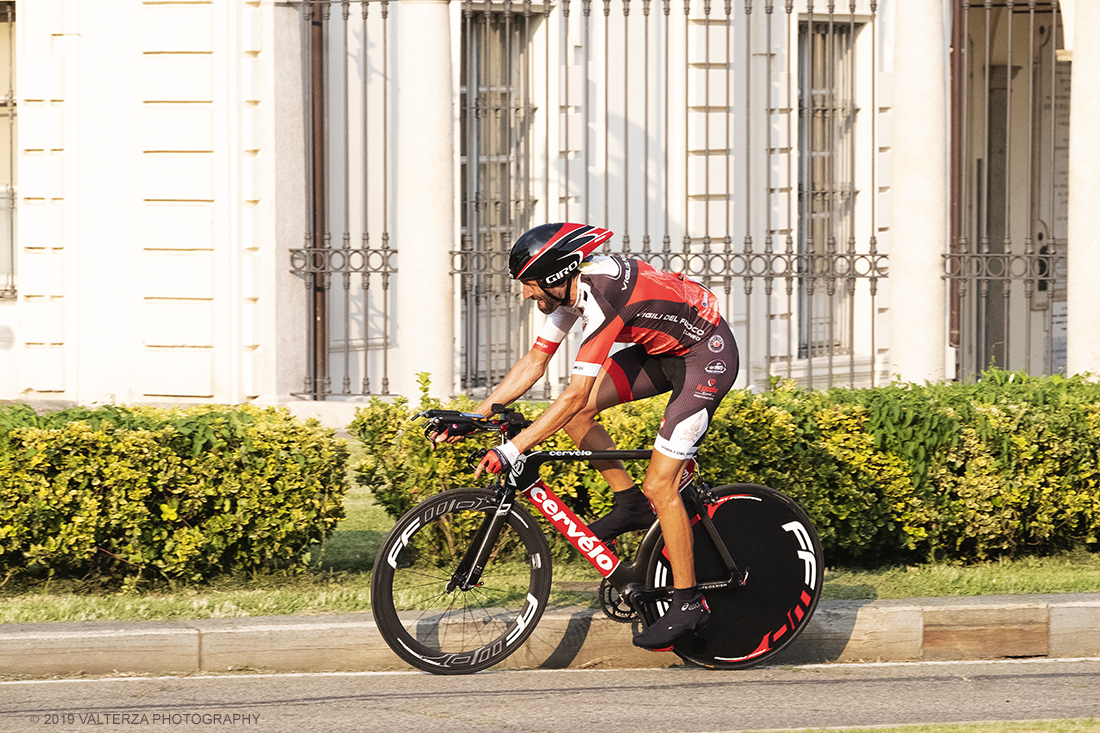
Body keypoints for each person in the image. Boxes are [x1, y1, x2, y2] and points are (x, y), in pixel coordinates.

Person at [435, 222, 739, 650]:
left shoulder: (601, 296)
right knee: (580, 419)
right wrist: (474, 414)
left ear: (559, 276)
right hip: (661, 353)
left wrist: (514, 447)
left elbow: (575, 393)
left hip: (704, 356)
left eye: (530, 284)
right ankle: (632, 504)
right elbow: (534, 363)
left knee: (661, 482)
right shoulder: (568, 291)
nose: (525, 294)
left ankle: (688, 603)